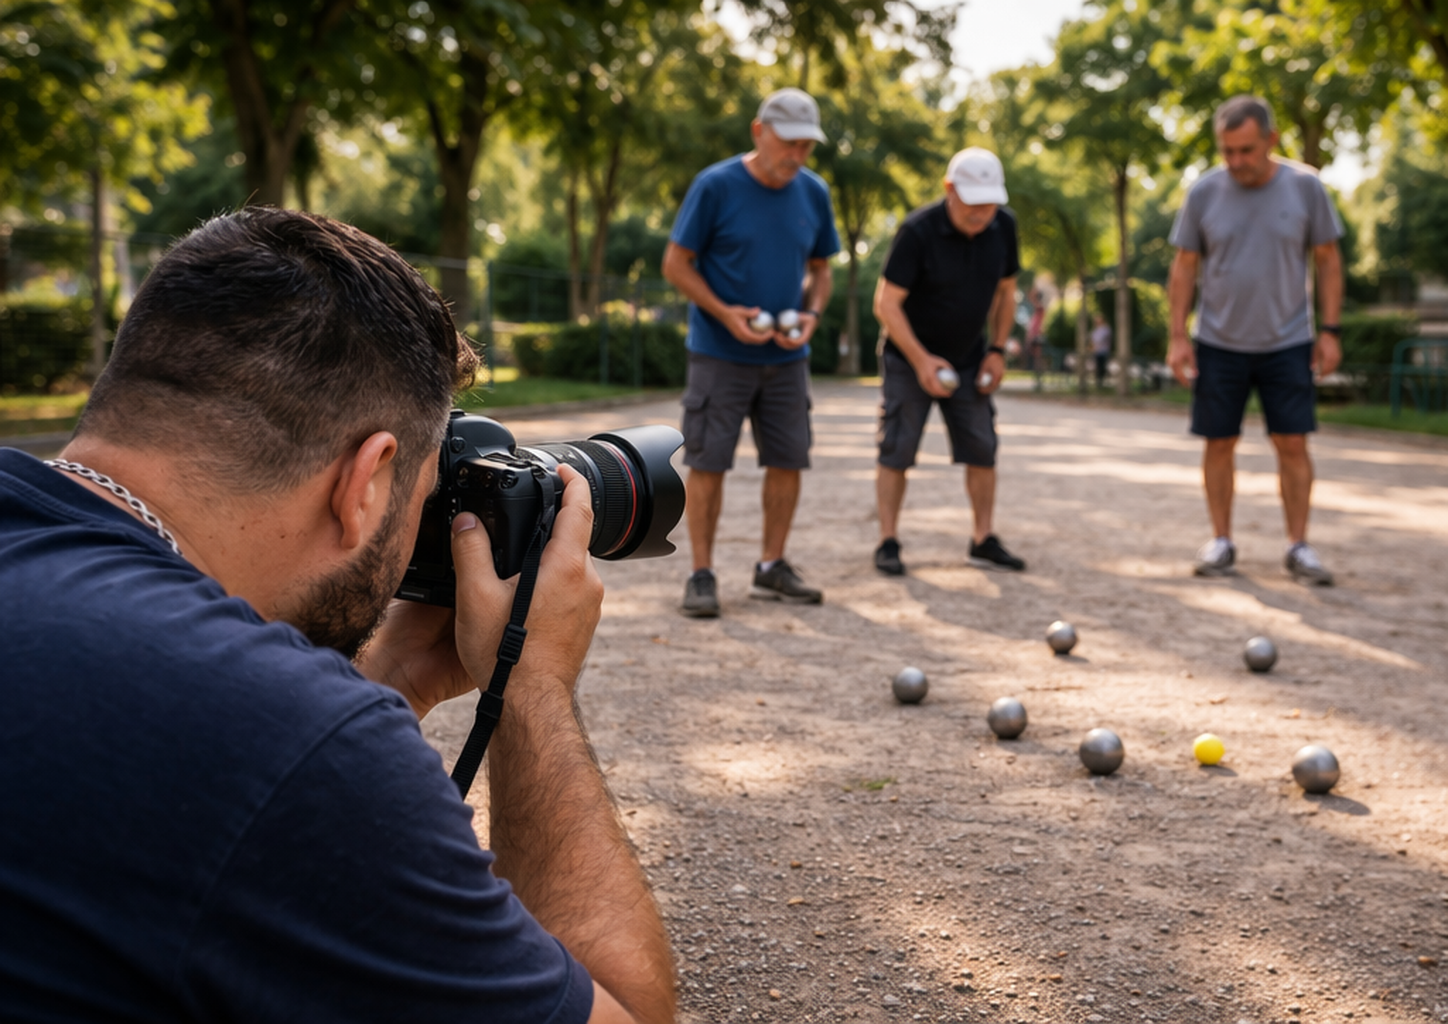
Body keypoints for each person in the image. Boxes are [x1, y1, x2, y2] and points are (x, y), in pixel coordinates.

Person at [0, 209, 675, 1023]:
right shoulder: (279, 741)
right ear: (367, 483)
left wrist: (385, 682)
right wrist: (531, 687)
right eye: (423, 497)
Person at [662, 87, 840, 618]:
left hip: (786, 359)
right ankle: (701, 573)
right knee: (708, 461)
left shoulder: (814, 191)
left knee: (789, 459)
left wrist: (810, 315)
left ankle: (771, 567)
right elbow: (676, 263)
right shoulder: (715, 186)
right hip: (719, 353)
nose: (797, 156)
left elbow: (822, 271)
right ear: (759, 132)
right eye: (789, 143)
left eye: (807, 146)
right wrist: (725, 313)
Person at [1166, 95, 1343, 585]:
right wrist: (1178, 336)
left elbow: (1328, 260)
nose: (1237, 162)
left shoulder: (1306, 187)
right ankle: (1221, 541)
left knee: (1292, 442)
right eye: (1228, 151)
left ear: (1272, 139)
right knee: (1218, 442)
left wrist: (1330, 331)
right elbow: (1184, 267)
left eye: (1246, 150)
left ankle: (1298, 546)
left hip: (1289, 340)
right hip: (1218, 341)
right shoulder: (1203, 192)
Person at [872, 147, 1025, 577]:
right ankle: (888, 540)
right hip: (909, 358)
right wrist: (921, 361)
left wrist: (996, 350)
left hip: (969, 357)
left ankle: (983, 538)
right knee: (896, 450)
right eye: (973, 205)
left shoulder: (1003, 227)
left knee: (983, 448)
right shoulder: (918, 231)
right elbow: (885, 304)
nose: (982, 214)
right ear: (949, 190)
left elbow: (1006, 292)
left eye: (990, 204)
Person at [1091, 311, 1113, 389]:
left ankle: (1101, 383)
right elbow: (1093, 339)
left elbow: (1100, 340)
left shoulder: (1106, 329)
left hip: (1103, 351)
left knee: (1102, 367)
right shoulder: (1096, 329)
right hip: (1097, 351)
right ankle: (1098, 383)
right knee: (1097, 367)